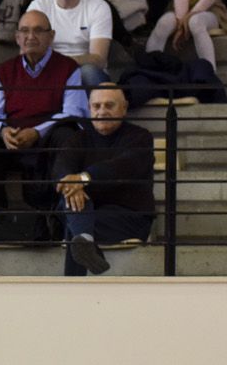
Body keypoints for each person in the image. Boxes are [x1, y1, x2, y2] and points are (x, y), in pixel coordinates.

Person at [0, 9, 87, 219]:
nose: (30, 36)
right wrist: (3, 131)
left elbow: (73, 113)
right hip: (13, 142)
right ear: (17, 37)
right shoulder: (5, 71)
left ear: (51, 36)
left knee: (66, 134)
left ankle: (58, 215)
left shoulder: (68, 68)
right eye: (24, 31)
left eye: (38, 30)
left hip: (48, 142)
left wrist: (37, 132)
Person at [53, 82, 152, 275]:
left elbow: (123, 167)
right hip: (85, 212)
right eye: (96, 106)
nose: (102, 111)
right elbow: (61, 168)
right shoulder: (77, 139)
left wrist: (83, 179)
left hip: (126, 217)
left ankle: (73, 284)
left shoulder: (140, 137)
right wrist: (71, 183)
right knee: (74, 205)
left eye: (109, 105)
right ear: (89, 109)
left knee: (76, 222)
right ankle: (85, 241)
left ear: (124, 108)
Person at [26, 0, 114, 85]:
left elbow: (99, 59)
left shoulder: (99, 6)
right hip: (49, 71)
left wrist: (66, 62)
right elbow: (30, 53)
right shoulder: (38, 6)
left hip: (84, 72)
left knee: (88, 72)